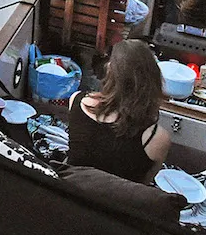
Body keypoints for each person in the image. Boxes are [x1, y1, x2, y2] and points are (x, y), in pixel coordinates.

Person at [66, 40, 171, 183]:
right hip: (118, 204)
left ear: (110, 72)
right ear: (153, 80)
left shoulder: (77, 101)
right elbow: (145, 184)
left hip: (69, 196)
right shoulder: (157, 138)